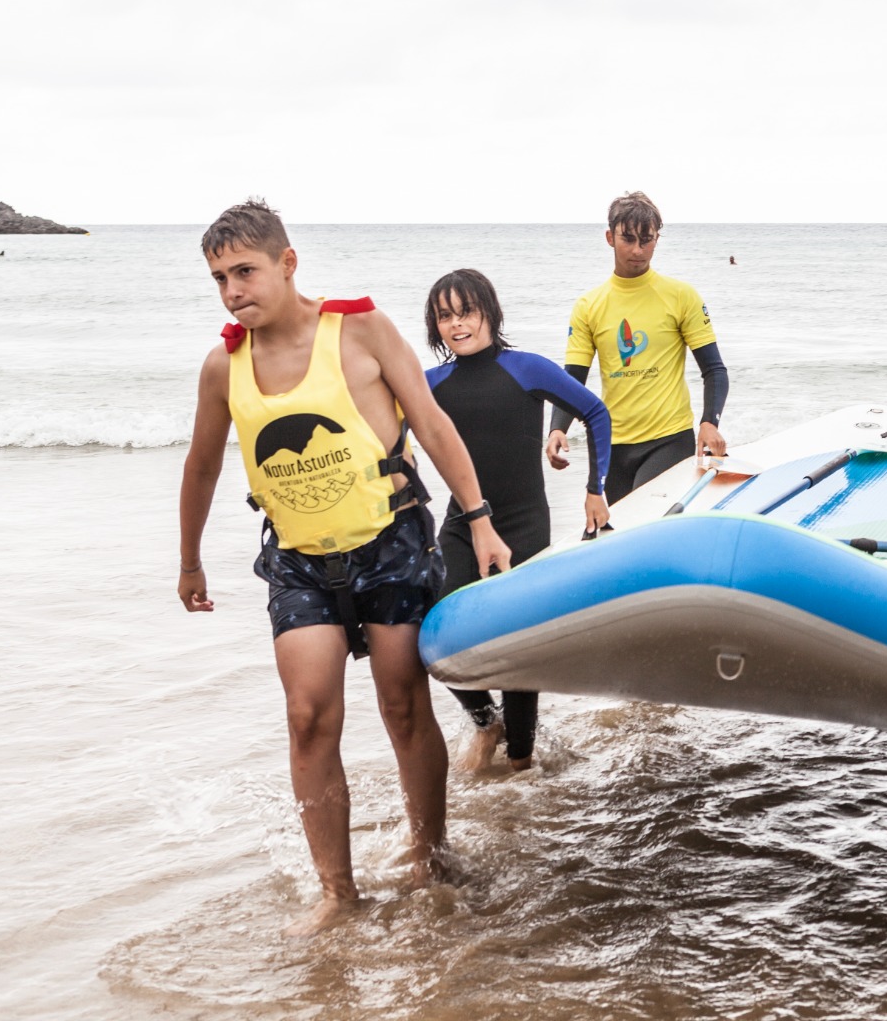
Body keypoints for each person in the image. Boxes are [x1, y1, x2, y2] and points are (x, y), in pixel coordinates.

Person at [176, 199, 511, 936]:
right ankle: (337, 892)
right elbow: (201, 465)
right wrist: (190, 560)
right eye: (220, 279)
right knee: (307, 716)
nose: (232, 291)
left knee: (402, 703)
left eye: (245, 272)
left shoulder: (360, 330)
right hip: (299, 562)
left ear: (287, 263)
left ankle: (429, 855)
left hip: (391, 545)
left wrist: (480, 518)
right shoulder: (223, 366)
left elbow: (432, 423)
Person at [423, 269, 613, 773]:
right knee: (432, 633)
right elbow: (386, 435)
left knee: (516, 645)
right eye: (445, 316)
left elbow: (595, 413)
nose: (457, 324)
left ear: (490, 312)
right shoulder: (431, 384)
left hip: (525, 523)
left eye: (466, 311)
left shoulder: (526, 368)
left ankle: (522, 764)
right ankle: (487, 722)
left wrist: (595, 489)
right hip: (462, 524)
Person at [545, 192, 730, 503]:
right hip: (610, 444)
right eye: (628, 239)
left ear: (657, 239)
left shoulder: (681, 296)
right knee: (622, 526)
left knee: (648, 516)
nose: (637, 250)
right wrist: (557, 428)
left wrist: (709, 422)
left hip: (669, 439)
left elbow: (714, 369)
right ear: (610, 238)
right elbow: (573, 377)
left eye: (647, 240)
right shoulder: (589, 305)